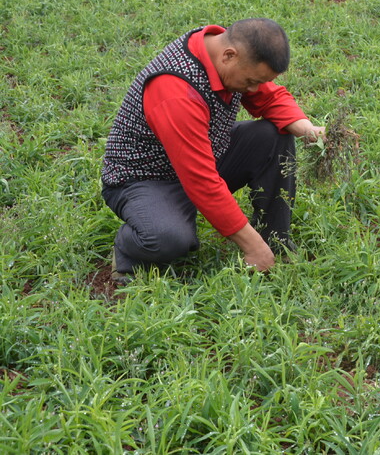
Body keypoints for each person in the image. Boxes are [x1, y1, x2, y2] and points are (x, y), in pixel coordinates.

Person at [101, 18, 325, 280]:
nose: (254, 88)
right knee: (167, 239)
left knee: (275, 134)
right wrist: (251, 247)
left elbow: (269, 97)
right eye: (251, 81)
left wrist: (309, 131)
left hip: (202, 152)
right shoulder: (175, 90)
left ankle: (274, 240)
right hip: (145, 179)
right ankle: (129, 251)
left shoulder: (227, 55)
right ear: (229, 55)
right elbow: (202, 181)